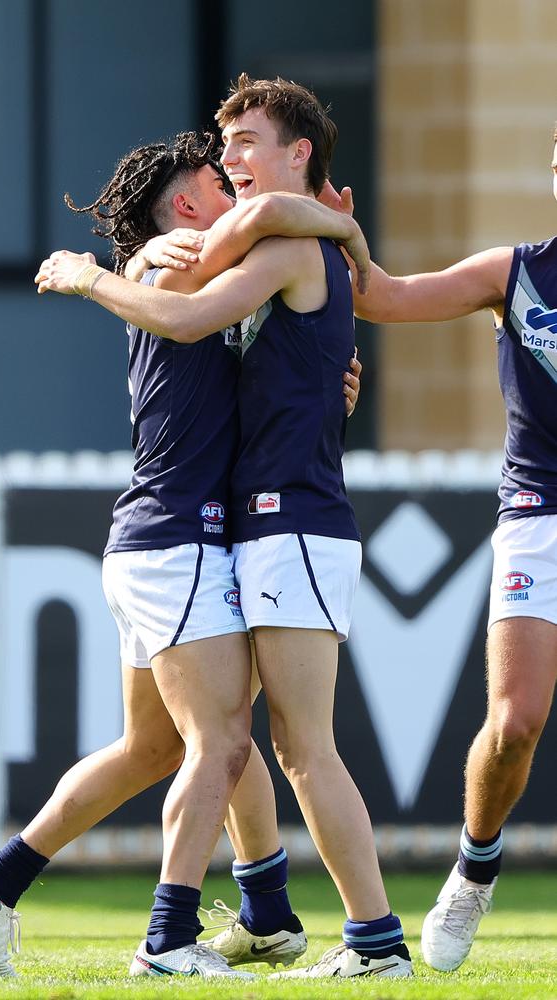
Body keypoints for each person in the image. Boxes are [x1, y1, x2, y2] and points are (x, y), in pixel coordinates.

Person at [0, 129, 364, 980]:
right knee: (220, 742)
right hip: (179, 537)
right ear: (183, 205)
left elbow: (254, 381)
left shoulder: (197, 264)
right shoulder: (175, 264)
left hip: (157, 539)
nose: (231, 186)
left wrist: (323, 380)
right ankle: (169, 939)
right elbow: (210, 286)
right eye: (217, 177)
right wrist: (97, 273)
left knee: (155, 750)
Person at [35, 74, 413, 981]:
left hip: (294, 523)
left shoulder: (276, 236)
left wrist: (94, 274)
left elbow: (194, 312)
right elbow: (227, 312)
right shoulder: (273, 237)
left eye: (245, 142)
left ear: (299, 155)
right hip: (260, 525)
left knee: (298, 749)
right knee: (246, 740)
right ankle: (273, 916)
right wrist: (337, 236)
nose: (228, 159)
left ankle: (371, 941)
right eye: (224, 144)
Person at [328, 127, 557, 972]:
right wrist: (343, 236)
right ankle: (475, 867)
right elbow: (381, 298)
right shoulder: (517, 271)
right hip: (542, 512)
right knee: (515, 721)